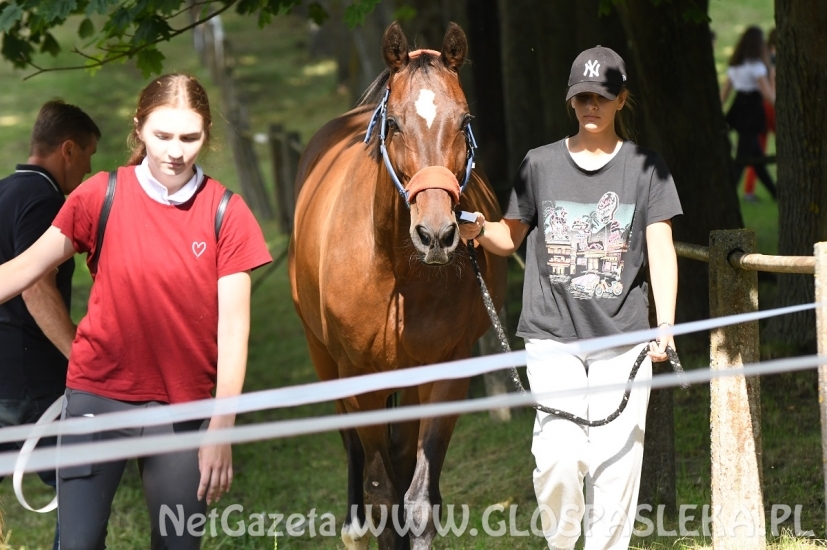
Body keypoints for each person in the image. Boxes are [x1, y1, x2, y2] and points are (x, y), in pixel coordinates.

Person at [0, 73, 272, 549]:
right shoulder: (98, 195)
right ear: (139, 128)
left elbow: (234, 329)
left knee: (176, 545)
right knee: (78, 543)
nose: (175, 151)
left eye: (190, 137)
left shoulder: (227, 212)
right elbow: (23, 271)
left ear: (206, 134)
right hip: (95, 399)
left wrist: (221, 427)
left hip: (184, 409)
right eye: (162, 135)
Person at [459, 46, 681, 549]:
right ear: (570, 101)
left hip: (625, 340)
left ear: (621, 99)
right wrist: (473, 230)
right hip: (551, 336)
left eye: (601, 96)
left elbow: (661, 249)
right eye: (581, 97)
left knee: (615, 466)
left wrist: (665, 323)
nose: (590, 106)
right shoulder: (539, 164)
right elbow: (508, 237)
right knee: (558, 459)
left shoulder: (647, 167)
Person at [0, 100, 100, 550]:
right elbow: (35, 284)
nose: (87, 167)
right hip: (29, 382)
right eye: (89, 155)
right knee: (82, 488)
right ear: (68, 150)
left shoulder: (3, 190)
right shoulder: (44, 199)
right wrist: (80, 355)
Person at [720, 26, 777, 201]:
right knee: (743, 158)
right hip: (752, 112)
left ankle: (776, 193)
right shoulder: (757, 67)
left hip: (739, 110)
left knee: (756, 156)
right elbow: (768, 95)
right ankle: (728, 194)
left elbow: (724, 94)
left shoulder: (735, 66)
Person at [742, 27, 777, 202]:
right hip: (773, 106)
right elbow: (772, 84)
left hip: (760, 108)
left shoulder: (763, 59)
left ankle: (749, 190)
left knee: (758, 150)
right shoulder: (775, 60)